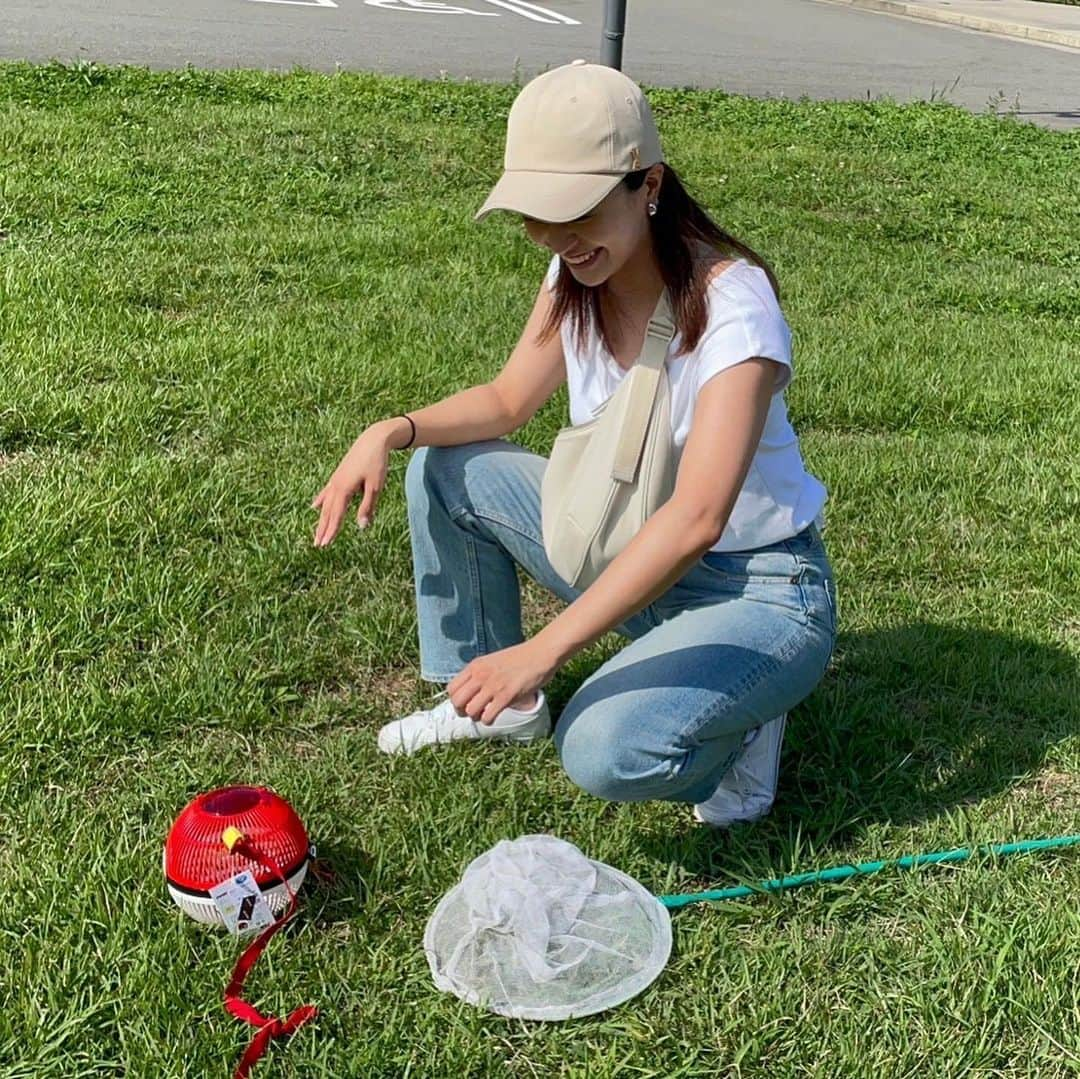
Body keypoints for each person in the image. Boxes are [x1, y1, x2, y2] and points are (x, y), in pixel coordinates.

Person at [311, 60, 837, 827]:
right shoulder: (575, 273)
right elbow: (504, 401)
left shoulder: (733, 305)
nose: (558, 236)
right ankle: (491, 700)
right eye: (538, 213)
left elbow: (697, 518)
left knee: (602, 748)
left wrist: (545, 648)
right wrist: (389, 430)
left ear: (648, 184)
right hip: (629, 544)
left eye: (579, 209)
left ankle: (742, 729)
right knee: (447, 467)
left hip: (759, 588)